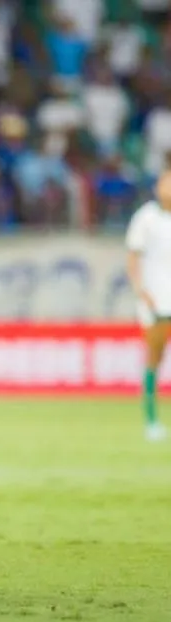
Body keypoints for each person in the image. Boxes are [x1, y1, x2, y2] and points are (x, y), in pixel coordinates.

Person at [126, 168, 171, 442]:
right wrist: (140, 290)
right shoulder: (146, 218)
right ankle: (151, 420)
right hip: (156, 297)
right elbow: (133, 257)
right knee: (155, 355)